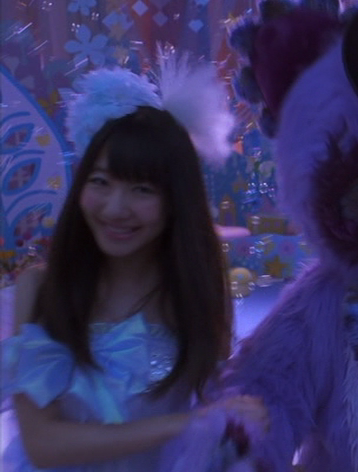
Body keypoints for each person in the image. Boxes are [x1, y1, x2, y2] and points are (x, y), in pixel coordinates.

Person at [1, 54, 266, 471]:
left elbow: (215, 412)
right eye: (100, 182)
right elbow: (42, 443)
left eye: (142, 189)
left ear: (175, 200)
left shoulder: (195, 292)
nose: (114, 208)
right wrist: (183, 424)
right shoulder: (41, 291)